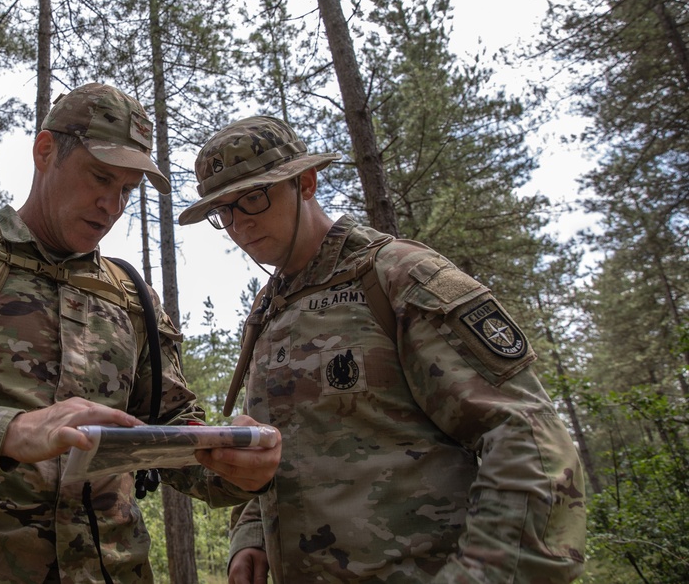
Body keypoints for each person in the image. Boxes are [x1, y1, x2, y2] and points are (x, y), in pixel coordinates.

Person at [0, 84, 281, 584]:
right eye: (100, 176)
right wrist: (11, 432)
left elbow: (172, 436)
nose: (111, 205)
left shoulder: (132, 297)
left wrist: (235, 468)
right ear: (45, 151)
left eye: (127, 190)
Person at [178, 116, 586, 583]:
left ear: (306, 183)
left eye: (254, 197)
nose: (239, 224)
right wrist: (251, 535)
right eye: (223, 210)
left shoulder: (399, 277)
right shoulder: (269, 310)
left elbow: (530, 442)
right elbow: (283, 447)